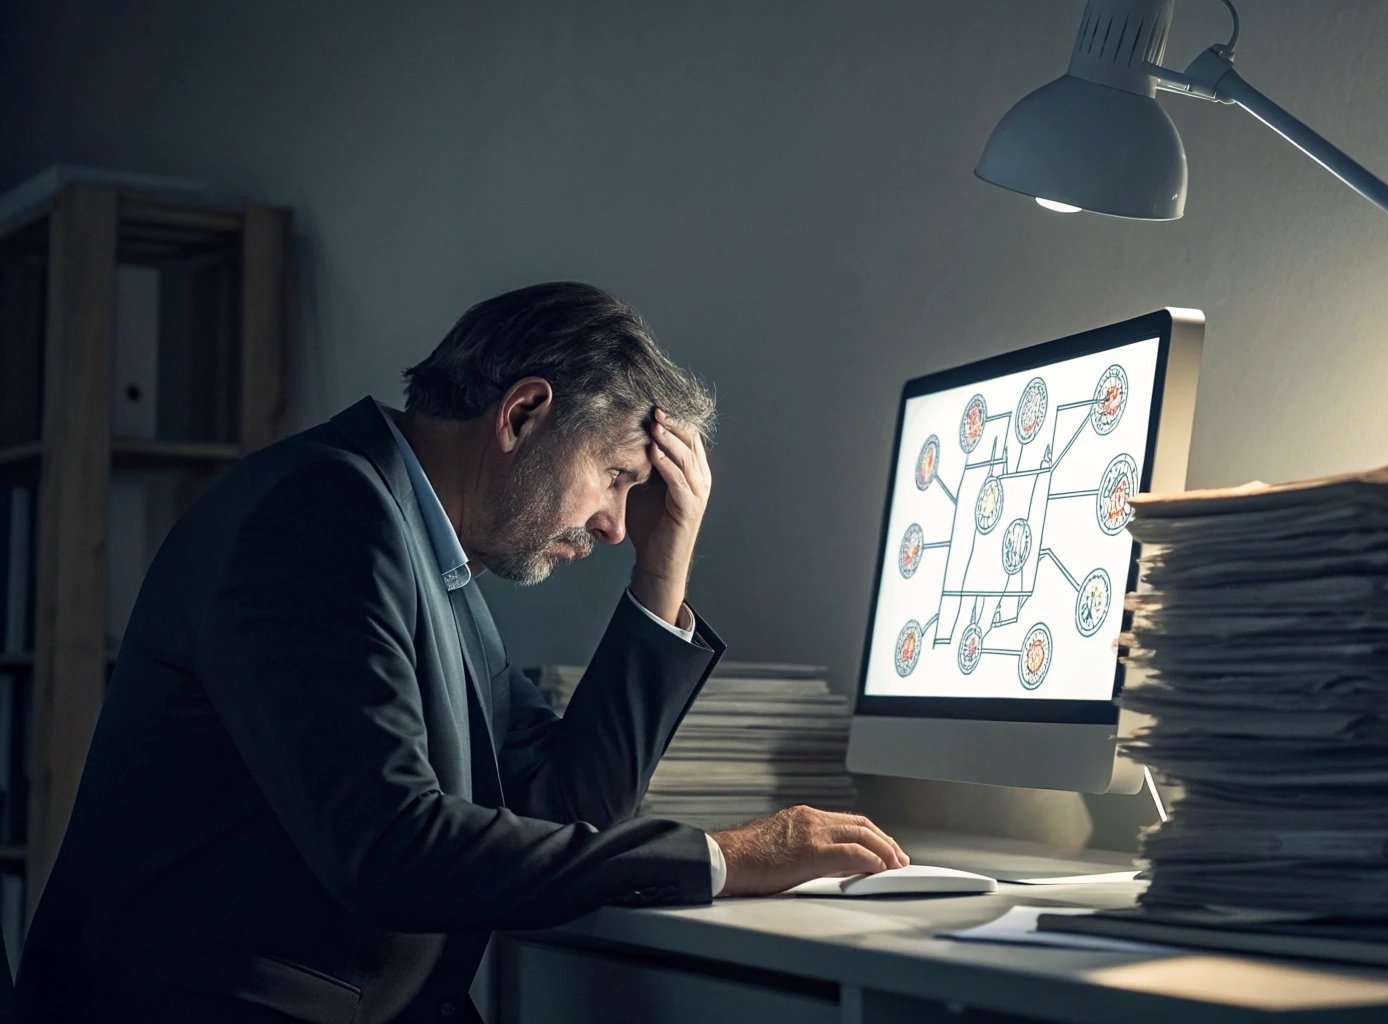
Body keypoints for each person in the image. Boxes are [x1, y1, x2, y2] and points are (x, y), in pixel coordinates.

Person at [16, 282, 907, 1023]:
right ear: (522, 414)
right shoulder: (322, 516)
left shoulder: (423, 549)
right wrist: (719, 858)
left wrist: (663, 567)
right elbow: (393, 849)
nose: (611, 524)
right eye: (617, 479)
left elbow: (565, 807)